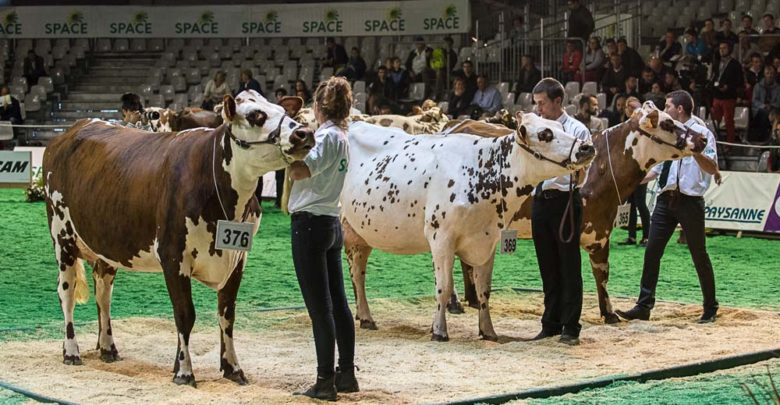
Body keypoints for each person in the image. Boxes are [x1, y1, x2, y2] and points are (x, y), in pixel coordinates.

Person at [617, 89, 720, 323]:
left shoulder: (703, 133)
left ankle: (710, 306)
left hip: (690, 201)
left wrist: (694, 150)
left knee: (698, 254)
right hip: (666, 197)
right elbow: (659, 168)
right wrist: (632, 178)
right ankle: (644, 306)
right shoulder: (668, 132)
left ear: (680, 109)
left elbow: (712, 167)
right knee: (652, 251)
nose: (665, 109)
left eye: (669, 105)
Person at [288, 76, 358, 400]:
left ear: (318, 107)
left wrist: (286, 155)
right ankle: (346, 374)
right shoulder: (342, 136)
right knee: (339, 303)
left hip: (309, 224)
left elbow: (302, 170)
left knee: (320, 309)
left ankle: (324, 381)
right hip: (331, 221)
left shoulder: (325, 138)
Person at [529, 78, 591, 346]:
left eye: (542, 103)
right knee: (547, 266)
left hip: (565, 200)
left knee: (568, 264)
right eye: (536, 104)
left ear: (557, 101)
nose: (539, 109)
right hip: (540, 199)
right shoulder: (537, 128)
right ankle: (550, 322)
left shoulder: (576, 130)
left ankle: (570, 326)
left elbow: (585, 166)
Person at [619, 99, 650, 247]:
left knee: (640, 203)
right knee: (631, 203)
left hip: (640, 168)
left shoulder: (642, 126)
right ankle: (632, 236)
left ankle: (647, 236)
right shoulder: (628, 125)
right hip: (629, 169)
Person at [709, 41, 743, 144]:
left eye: (724, 48)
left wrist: (728, 87)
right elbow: (713, 77)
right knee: (715, 120)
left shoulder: (735, 64)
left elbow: (739, 81)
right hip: (717, 95)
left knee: (728, 121)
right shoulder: (716, 62)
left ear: (729, 49)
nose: (722, 50)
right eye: (720, 48)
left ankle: (730, 143)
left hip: (728, 96)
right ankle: (714, 141)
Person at [752, 65, 780, 141]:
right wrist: (764, 106)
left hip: (773, 110)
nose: (769, 75)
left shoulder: (778, 88)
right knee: (763, 112)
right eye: (767, 73)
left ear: (774, 75)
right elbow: (754, 101)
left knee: (770, 114)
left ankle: (765, 138)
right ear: (764, 74)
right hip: (758, 111)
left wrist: (771, 106)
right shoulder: (758, 86)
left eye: (771, 73)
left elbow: (778, 102)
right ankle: (762, 138)